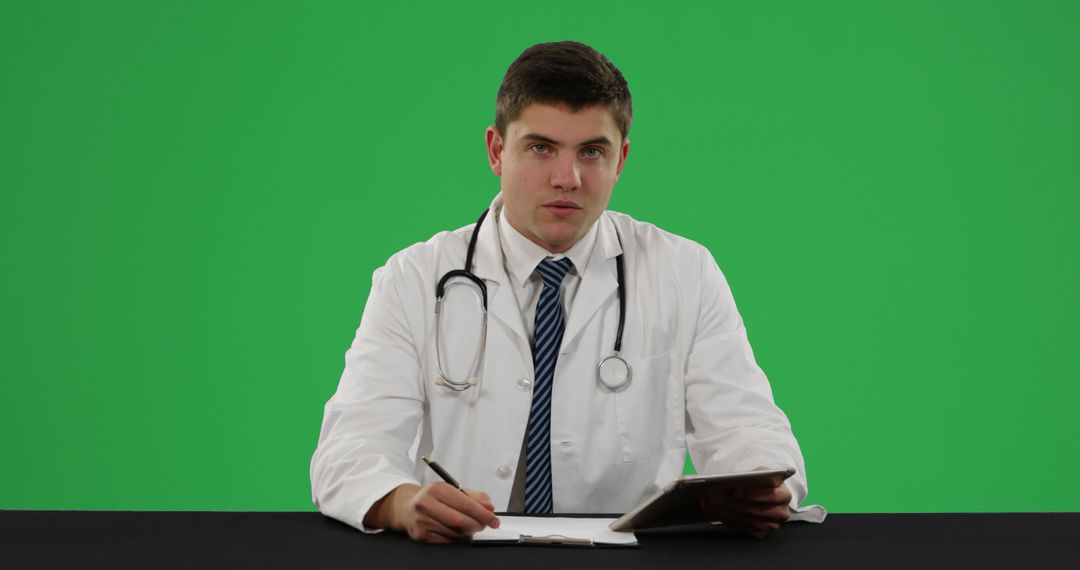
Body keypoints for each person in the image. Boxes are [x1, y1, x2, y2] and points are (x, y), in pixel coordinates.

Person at [310, 40, 824, 543]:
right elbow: (349, 449)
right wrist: (401, 502)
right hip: (464, 554)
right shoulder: (413, 279)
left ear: (620, 159)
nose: (567, 177)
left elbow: (747, 428)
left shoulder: (683, 272)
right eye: (540, 148)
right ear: (496, 150)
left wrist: (760, 482)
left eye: (592, 152)